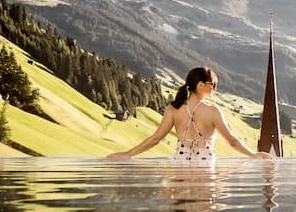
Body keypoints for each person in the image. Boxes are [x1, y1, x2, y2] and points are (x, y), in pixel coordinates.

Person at [106, 66, 273, 161]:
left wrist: (128, 154)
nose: (214, 90)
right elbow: (232, 141)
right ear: (200, 85)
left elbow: (156, 138)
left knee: (185, 206)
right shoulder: (212, 111)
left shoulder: (173, 108)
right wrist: (253, 155)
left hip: (180, 164)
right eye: (212, 85)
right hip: (205, 166)